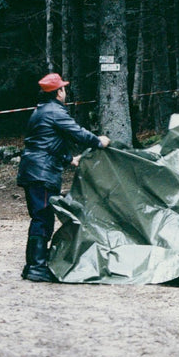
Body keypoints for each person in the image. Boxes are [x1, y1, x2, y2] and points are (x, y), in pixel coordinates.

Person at [16, 73, 111, 282]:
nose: (65, 91)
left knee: (41, 217)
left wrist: (69, 159)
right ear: (58, 92)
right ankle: (36, 268)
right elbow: (76, 132)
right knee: (42, 217)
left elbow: (45, 141)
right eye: (63, 88)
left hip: (34, 169)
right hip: (41, 173)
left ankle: (32, 265)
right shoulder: (54, 111)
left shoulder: (41, 110)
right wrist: (98, 141)